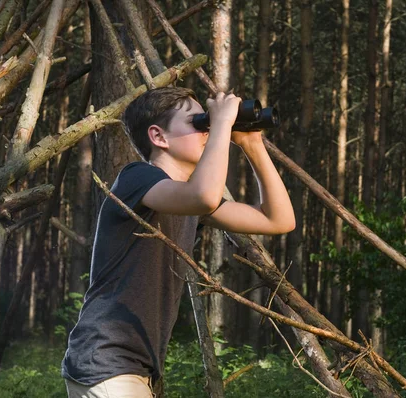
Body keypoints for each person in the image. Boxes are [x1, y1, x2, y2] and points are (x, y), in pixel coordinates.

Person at [61, 87, 295, 397]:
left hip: (132, 367)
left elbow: (278, 220)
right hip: (106, 360)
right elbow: (204, 195)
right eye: (199, 122)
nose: (209, 129)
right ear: (159, 137)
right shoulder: (136, 177)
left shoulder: (190, 204)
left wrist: (251, 144)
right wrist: (223, 124)